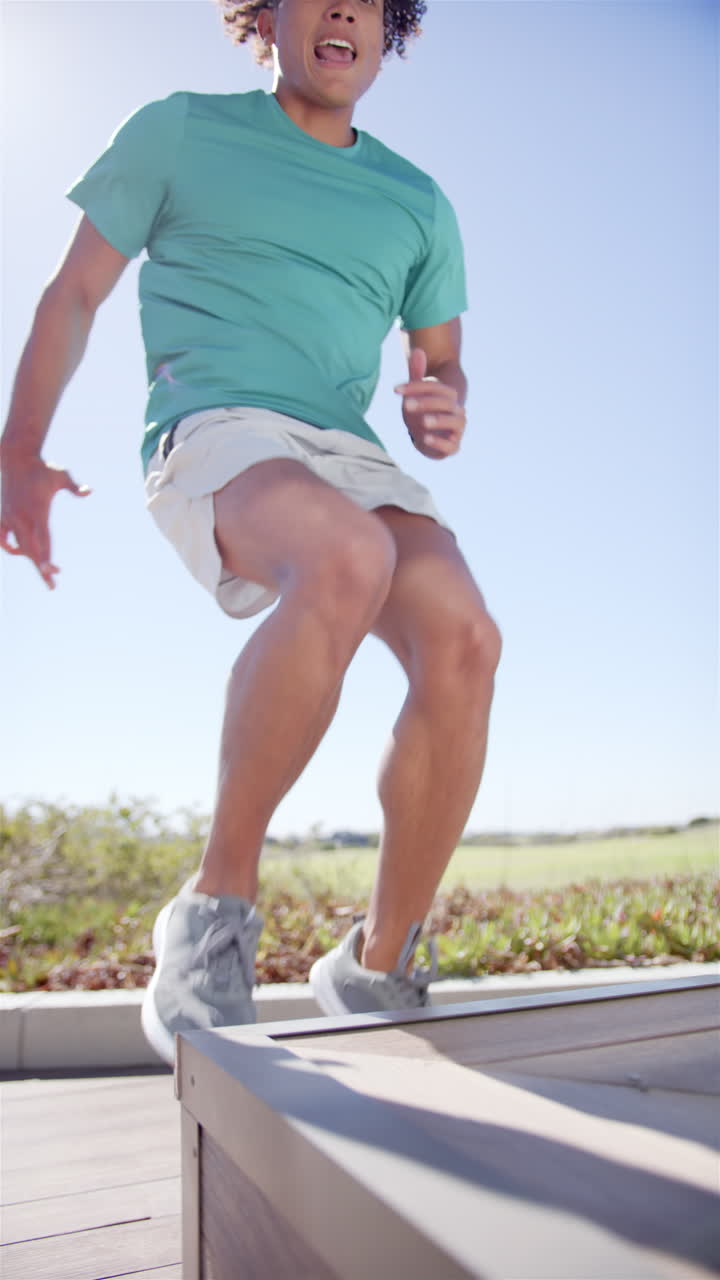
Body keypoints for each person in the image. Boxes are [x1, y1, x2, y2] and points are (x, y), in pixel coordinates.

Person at [0, 0, 501, 1065]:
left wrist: (442, 404)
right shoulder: (181, 130)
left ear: (387, 29)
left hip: (346, 448)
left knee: (465, 638)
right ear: (264, 15)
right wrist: (20, 453)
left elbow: (440, 360)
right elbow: (75, 293)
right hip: (217, 425)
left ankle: (379, 956)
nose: (341, 14)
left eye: (366, 3)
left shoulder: (417, 201)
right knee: (346, 555)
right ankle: (212, 912)